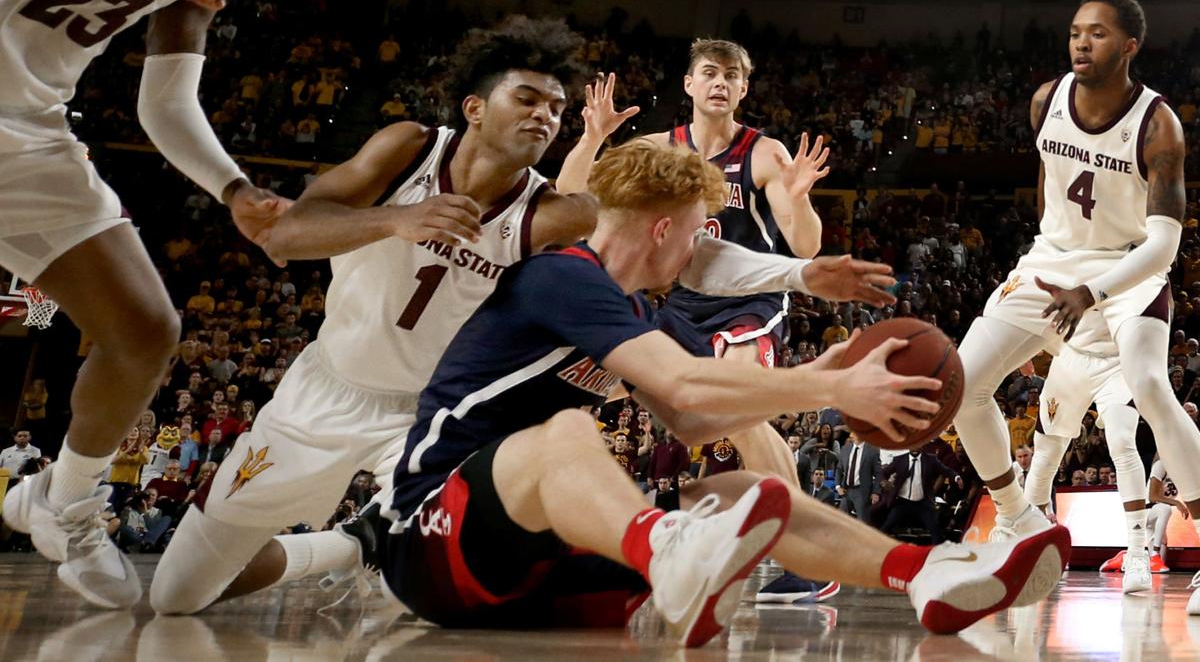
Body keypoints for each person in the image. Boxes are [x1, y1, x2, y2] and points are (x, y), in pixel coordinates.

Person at [150, 17, 892, 615]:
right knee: (178, 594)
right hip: (325, 389)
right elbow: (286, 236)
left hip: (435, 420)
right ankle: (352, 545)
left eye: (557, 109)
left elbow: (685, 249)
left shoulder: (552, 211)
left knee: (435, 567)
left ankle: (387, 538)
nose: (545, 115)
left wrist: (801, 273)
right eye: (528, 100)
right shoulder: (409, 148)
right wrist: (396, 221)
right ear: (475, 107)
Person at [287, 141, 1069, 642]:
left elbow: (695, 413)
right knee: (568, 434)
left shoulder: (640, 312)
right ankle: (668, 553)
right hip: (429, 534)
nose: (699, 247)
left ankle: (923, 571)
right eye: (697, 229)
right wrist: (832, 382)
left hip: (527, 559)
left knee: (746, 491)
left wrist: (823, 382)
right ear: (663, 229)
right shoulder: (560, 275)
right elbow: (678, 379)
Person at [0, 0, 287, 608]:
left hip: (29, 140)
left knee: (145, 331)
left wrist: (234, 189)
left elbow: (166, 101)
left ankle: (66, 499)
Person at [555, 40, 872, 604]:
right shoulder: (658, 148)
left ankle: (808, 551)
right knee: (619, 399)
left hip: (749, 299)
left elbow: (806, 246)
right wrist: (593, 137)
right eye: (709, 72)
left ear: (744, 88)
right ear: (689, 84)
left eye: (731, 75)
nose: (720, 82)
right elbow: (570, 195)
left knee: (739, 407)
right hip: (679, 301)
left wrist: (798, 199)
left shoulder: (763, 152)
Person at [948, 0, 1200, 614]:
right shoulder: (1046, 100)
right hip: (1053, 263)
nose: (1082, 43)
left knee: (1150, 386)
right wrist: (1054, 268)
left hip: (1128, 269)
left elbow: (1164, 245)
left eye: (1099, 33)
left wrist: (1092, 292)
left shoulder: (1158, 124)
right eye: (1075, 32)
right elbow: (1050, 194)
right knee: (962, 384)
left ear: (1130, 46)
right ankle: (1017, 516)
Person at [1021, 314, 1152, 593]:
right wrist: (1025, 344)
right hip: (1072, 356)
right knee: (1046, 455)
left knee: (1122, 442)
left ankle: (1137, 553)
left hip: (1118, 359)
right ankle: (1025, 549)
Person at [879, 448, 962, 544]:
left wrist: (956, 477)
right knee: (888, 524)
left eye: (917, 444)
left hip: (922, 502)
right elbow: (882, 473)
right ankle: (877, 544)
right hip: (902, 502)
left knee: (935, 528)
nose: (915, 447)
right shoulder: (900, 460)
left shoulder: (930, 460)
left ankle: (938, 549)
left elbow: (946, 470)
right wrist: (883, 482)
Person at [837, 431, 883, 522]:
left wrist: (876, 492)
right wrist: (838, 486)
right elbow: (839, 469)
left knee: (862, 520)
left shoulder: (872, 451)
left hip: (862, 491)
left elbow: (878, 473)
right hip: (846, 490)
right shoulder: (845, 449)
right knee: (840, 518)